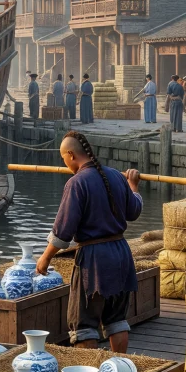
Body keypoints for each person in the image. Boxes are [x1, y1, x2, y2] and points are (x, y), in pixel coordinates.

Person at [36, 131, 142, 350]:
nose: (63, 162)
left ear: (71, 155)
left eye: (63, 157)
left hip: (94, 260)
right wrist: (133, 187)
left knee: (83, 324)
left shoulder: (76, 183)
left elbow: (63, 232)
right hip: (121, 254)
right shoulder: (115, 177)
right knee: (117, 320)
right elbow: (134, 211)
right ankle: (119, 370)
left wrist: (44, 259)